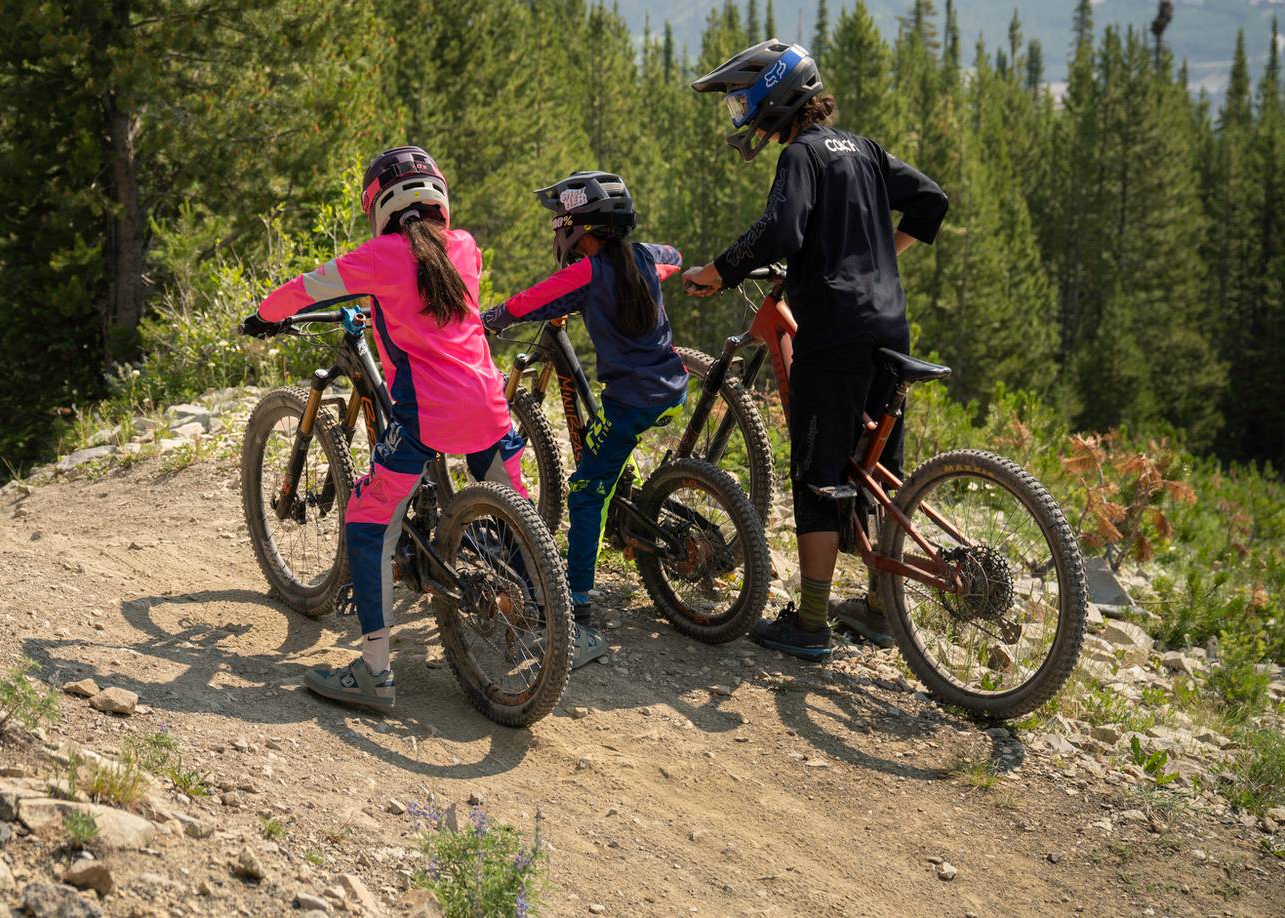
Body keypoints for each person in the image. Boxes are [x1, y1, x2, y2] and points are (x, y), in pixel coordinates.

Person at [684, 40, 948, 659]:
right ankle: (882, 611)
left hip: (835, 328)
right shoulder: (865, 150)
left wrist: (720, 270)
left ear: (779, 96)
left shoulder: (801, 154)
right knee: (880, 469)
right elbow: (932, 199)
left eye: (745, 101)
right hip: (890, 322)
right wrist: (877, 258)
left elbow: (781, 231)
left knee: (818, 473)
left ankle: (809, 625)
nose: (743, 114)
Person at [241, 146, 530, 710]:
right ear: (440, 201)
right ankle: (539, 614)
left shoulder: (379, 255)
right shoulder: (465, 248)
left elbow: (309, 286)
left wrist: (267, 313)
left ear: (379, 206)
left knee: (369, 520)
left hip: (427, 413)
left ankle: (375, 672)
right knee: (512, 508)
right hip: (490, 404)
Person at [481, 172, 687, 668]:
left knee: (585, 490)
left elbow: (529, 302)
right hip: (671, 388)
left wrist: (491, 319)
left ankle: (577, 612)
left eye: (560, 224)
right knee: (609, 455)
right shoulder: (645, 258)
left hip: (630, 403)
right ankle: (625, 500)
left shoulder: (587, 273)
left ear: (580, 229)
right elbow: (674, 258)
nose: (557, 233)